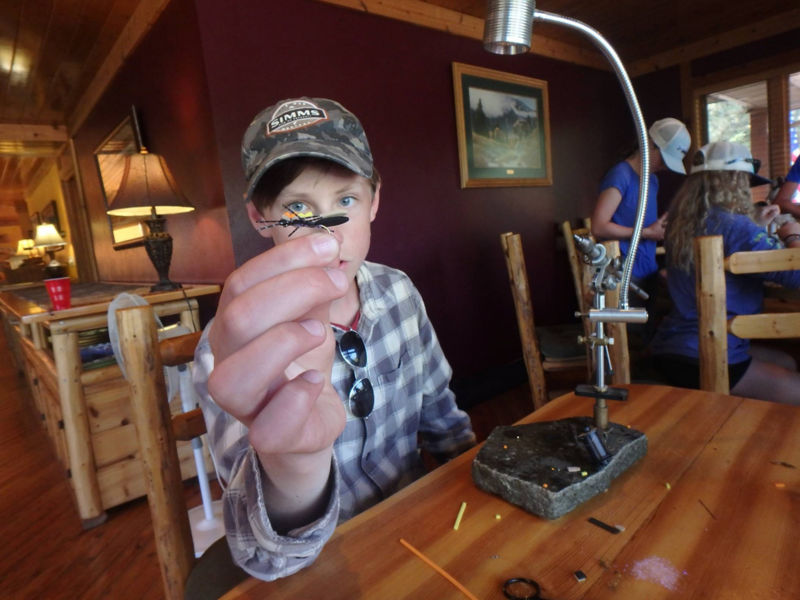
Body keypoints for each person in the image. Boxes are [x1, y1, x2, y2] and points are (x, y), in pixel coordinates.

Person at [192, 97, 476, 580]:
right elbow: (268, 557)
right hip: (322, 566)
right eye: (298, 207)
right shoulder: (239, 349)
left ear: (375, 201)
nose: (327, 234)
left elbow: (444, 422)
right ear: (262, 218)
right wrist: (294, 465)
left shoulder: (400, 293)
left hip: (420, 532)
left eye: (346, 201)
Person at [649, 140, 800, 404]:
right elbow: (795, 275)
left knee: (787, 359)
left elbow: (731, 238)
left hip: (673, 346)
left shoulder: (684, 222)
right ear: (735, 181)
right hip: (709, 352)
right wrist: (792, 236)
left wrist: (756, 226)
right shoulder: (737, 226)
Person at [591, 117, 691, 294]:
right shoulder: (621, 175)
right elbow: (598, 227)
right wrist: (647, 233)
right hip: (622, 274)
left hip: (646, 270)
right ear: (650, 144)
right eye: (664, 159)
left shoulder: (652, 179)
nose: (665, 167)